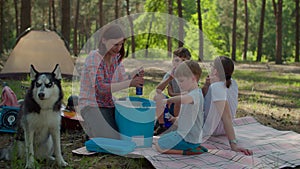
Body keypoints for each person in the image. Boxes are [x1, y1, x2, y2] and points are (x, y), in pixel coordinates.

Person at [79, 23, 144, 139]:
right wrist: (130, 83)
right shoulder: (94, 57)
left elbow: (121, 79)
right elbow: (101, 88)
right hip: (92, 105)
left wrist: (133, 76)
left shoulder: (116, 58)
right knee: (110, 138)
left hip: (109, 104)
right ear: (104, 40)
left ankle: (97, 127)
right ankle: (90, 127)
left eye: (121, 44)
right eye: (115, 44)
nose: (118, 48)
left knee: (125, 133)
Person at [202, 56, 253, 156]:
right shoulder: (233, 83)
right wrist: (207, 85)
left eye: (212, 66)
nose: (210, 68)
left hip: (211, 129)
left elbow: (226, 117)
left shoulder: (216, 87)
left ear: (216, 71)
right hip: (222, 129)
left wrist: (233, 145)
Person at [154, 60, 208, 155]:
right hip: (183, 135)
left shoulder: (196, 94)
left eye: (182, 81)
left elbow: (184, 99)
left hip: (188, 138)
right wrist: (176, 119)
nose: (179, 84)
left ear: (193, 79)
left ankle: (187, 151)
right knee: (160, 139)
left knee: (159, 146)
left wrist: (169, 100)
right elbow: (189, 115)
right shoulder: (190, 93)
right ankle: (194, 147)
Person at [154, 47, 191, 135]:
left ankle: (176, 125)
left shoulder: (190, 76)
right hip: (172, 104)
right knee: (158, 96)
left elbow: (188, 94)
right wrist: (169, 78)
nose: (180, 64)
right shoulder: (170, 74)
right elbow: (158, 90)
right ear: (173, 62)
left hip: (184, 105)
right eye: (177, 60)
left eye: (183, 61)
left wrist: (174, 95)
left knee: (179, 99)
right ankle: (161, 125)